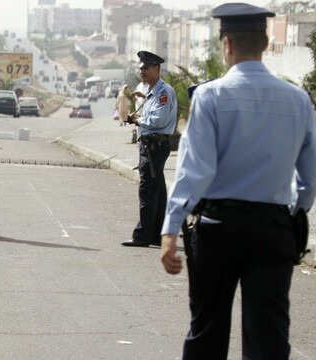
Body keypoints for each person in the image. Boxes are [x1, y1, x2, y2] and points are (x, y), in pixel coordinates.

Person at [160, 3, 316, 359]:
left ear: (226, 44)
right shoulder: (298, 100)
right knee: (269, 337)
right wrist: (292, 214)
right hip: (274, 228)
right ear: (263, 44)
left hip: (218, 227)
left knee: (207, 332)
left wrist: (170, 228)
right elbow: (310, 176)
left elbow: (194, 171)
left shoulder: (211, 96)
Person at [121, 51, 177, 247]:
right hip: (148, 145)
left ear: (156, 69)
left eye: (146, 67)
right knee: (157, 191)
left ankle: (142, 236)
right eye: (140, 68)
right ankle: (156, 235)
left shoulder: (164, 92)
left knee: (147, 191)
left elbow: (157, 120)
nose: (141, 71)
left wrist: (137, 119)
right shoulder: (147, 90)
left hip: (155, 145)